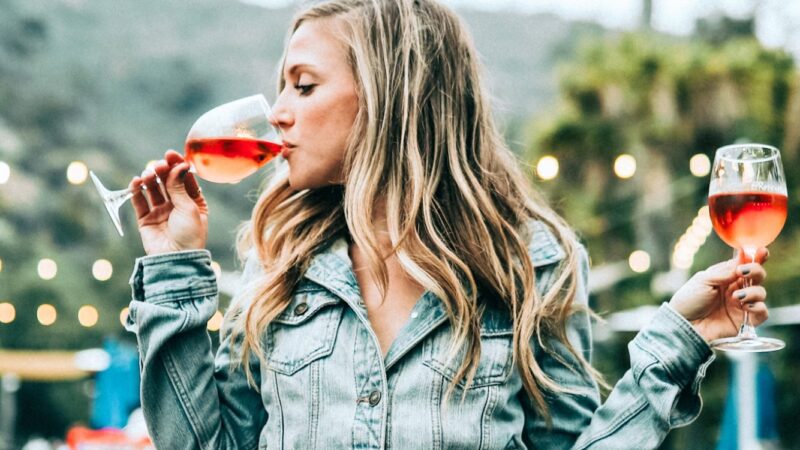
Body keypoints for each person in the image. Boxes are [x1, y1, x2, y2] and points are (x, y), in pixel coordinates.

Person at [123, 0, 772, 448]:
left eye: (304, 85)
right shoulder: (279, 264)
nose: (277, 113)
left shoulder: (533, 263)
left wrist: (678, 341)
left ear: (390, 96)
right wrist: (174, 266)